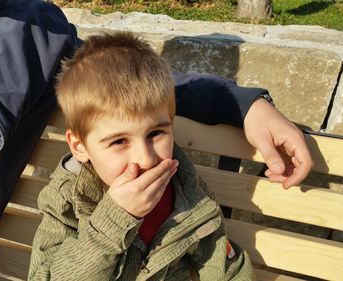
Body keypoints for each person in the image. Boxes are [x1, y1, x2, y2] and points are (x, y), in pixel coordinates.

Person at [0, 0, 311, 280]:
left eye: (158, 135)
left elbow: (121, 84)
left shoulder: (33, 29)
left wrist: (246, 104)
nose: (143, 152)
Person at [29, 31, 257, 280]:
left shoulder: (186, 189)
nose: (146, 159)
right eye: (119, 141)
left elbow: (225, 268)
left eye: (155, 134)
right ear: (79, 146)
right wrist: (113, 221)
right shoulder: (66, 199)